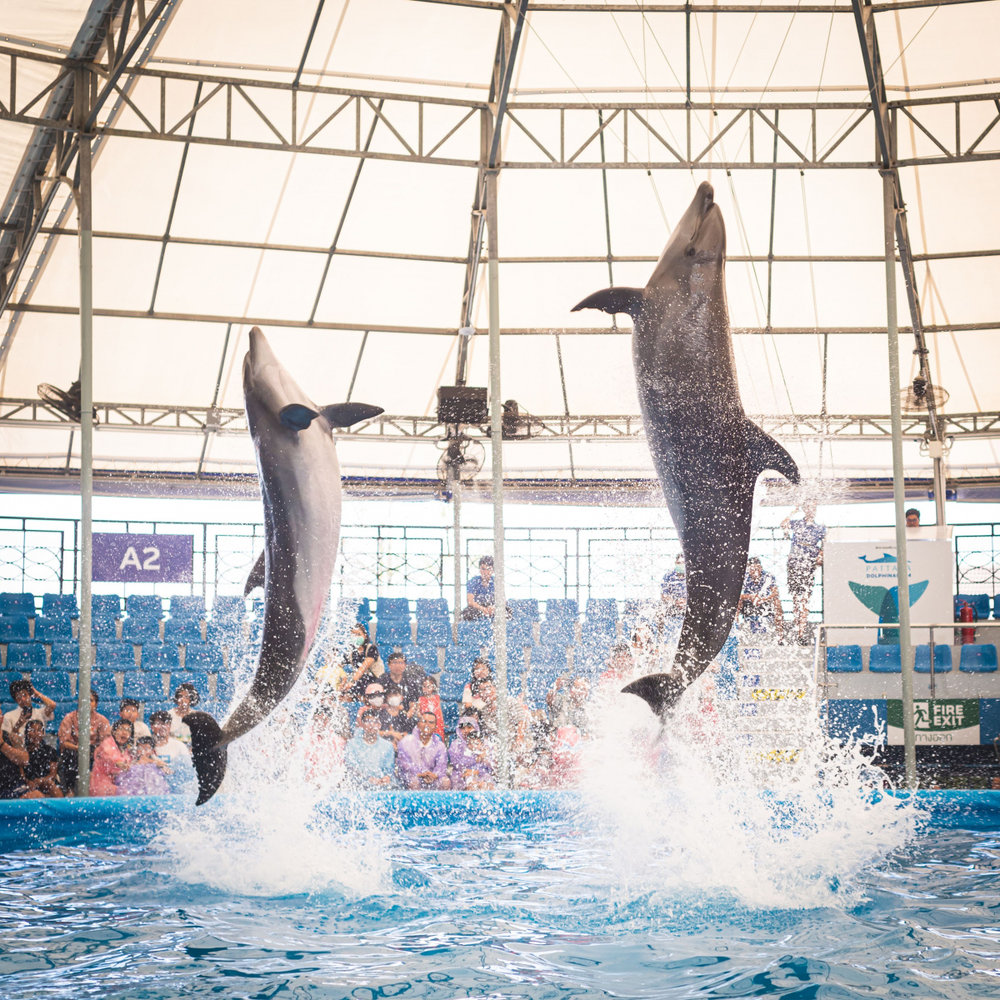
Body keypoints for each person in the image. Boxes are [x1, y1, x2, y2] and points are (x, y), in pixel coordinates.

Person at [781, 501, 826, 644]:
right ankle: (796, 630)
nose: (811, 510)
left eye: (814, 507)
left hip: (809, 563)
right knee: (795, 599)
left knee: (805, 598)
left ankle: (802, 632)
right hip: (795, 561)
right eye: (808, 507)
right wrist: (794, 511)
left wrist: (820, 556)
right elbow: (783, 524)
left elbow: (824, 546)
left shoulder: (820, 528)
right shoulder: (797, 523)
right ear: (804, 509)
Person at [57, 691, 112, 793]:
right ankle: (70, 790)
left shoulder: (102, 720)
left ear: (96, 704)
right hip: (73, 750)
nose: (87, 703)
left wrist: (93, 751)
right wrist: (79, 748)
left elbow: (105, 743)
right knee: (70, 755)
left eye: (90, 700)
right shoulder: (69, 718)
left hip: (94, 751)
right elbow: (64, 742)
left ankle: (99, 789)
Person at [396, 711, 451, 789]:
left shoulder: (439, 745)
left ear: (435, 727)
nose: (427, 725)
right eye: (424, 721)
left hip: (432, 777)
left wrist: (434, 775)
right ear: (418, 725)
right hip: (413, 776)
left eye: (431, 722)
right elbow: (404, 764)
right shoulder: (406, 742)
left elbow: (441, 766)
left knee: (445, 782)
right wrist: (420, 774)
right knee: (414, 782)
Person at [343, 710, 396, 788]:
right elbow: (351, 767)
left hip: (381, 785)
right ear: (362, 724)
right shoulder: (352, 744)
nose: (371, 725)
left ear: (379, 725)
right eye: (368, 721)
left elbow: (389, 769)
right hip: (358, 785)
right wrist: (368, 779)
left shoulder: (387, 746)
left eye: (375, 722)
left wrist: (387, 777)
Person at [150, 710, 196, 795]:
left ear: (170, 726)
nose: (162, 727)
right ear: (152, 727)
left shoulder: (179, 746)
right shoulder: (146, 746)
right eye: (158, 723)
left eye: (165, 723)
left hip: (175, 789)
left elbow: (188, 770)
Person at [738, 557, 784, 637]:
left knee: (777, 602)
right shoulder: (744, 577)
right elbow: (737, 595)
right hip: (749, 602)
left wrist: (764, 599)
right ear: (749, 569)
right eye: (752, 569)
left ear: (760, 568)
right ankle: (735, 628)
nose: (755, 572)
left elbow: (775, 593)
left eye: (757, 569)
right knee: (737, 602)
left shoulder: (768, 576)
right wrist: (749, 596)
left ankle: (780, 635)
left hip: (763, 601)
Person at [2, 679, 56, 746]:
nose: (23, 699)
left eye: (25, 695)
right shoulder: (8, 716)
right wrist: (18, 725)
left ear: (30, 696)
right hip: (19, 750)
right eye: (19, 697)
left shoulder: (40, 713)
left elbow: (52, 705)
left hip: (38, 748)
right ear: (16, 700)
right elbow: (7, 740)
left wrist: (37, 693)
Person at [337, 623, 381, 702]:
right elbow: (338, 665)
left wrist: (352, 682)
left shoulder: (371, 648)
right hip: (359, 681)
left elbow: (363, 667)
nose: (356, 637)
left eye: (358, 634)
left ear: (364, 635)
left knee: (361, 681)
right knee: (340, 692)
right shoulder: (351, 652)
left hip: (374, 681)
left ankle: (365, 701)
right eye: (353, 635)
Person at [89, 720, 134, 796]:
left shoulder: (127, 749)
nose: (125, 733)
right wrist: (119, 763)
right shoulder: (107, 743)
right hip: (101, 782)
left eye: (128, 731)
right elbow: (111, 756)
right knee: (125, 793)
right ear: (114, 732)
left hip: (117, 782)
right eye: (121, 729)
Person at [22, 719, 62, 798]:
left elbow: (52, 774)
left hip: (46, 783)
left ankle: (63, 808)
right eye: (32, 730)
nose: (36, 734)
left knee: (50, 784)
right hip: (28, 785)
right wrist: (28, 782)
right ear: (26, 734)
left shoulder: (50, 751)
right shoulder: (22, 752)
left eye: (39, 731)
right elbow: (21, 775)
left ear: (43, 733)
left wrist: (41, 781)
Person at [462, 555, 496, 620]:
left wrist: (493, 607)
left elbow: (503, 601)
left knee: (506, 612)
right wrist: (483, 609)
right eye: (483, 569)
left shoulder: (496, 582)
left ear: (493, 571)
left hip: (491, 607)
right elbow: (470, 601)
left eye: (489, 569)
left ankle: (497, 629)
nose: (485, 572)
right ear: (479, 569)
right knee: (467, 613)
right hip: (478, 608)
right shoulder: (473, 581)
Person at [0, 731, 31, 799]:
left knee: (36, 795)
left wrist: (2, 744)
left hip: (13, 786)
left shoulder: (12, 737)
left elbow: (25, 760)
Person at [659, 554, 687, 625]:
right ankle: (660, 635)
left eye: (683, 563)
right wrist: (675, 601)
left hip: (688, 605)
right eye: (678, 563)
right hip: (673, 604)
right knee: (660, 613)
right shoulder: (668, 576)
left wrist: (686, 602)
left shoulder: (692, 575)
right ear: (675, 563)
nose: (681, 565)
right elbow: (663, 595)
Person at [417, 675, 444, 741]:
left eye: (428, 687)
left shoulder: (437, 698)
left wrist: (441, 724)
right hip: (425, 723)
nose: (426, 689)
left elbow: (440, 713)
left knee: (437, 740)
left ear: (433, 687)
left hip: (437, 724)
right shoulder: (420, 699)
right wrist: (423, 719)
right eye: (424, 686)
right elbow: (418, 712)